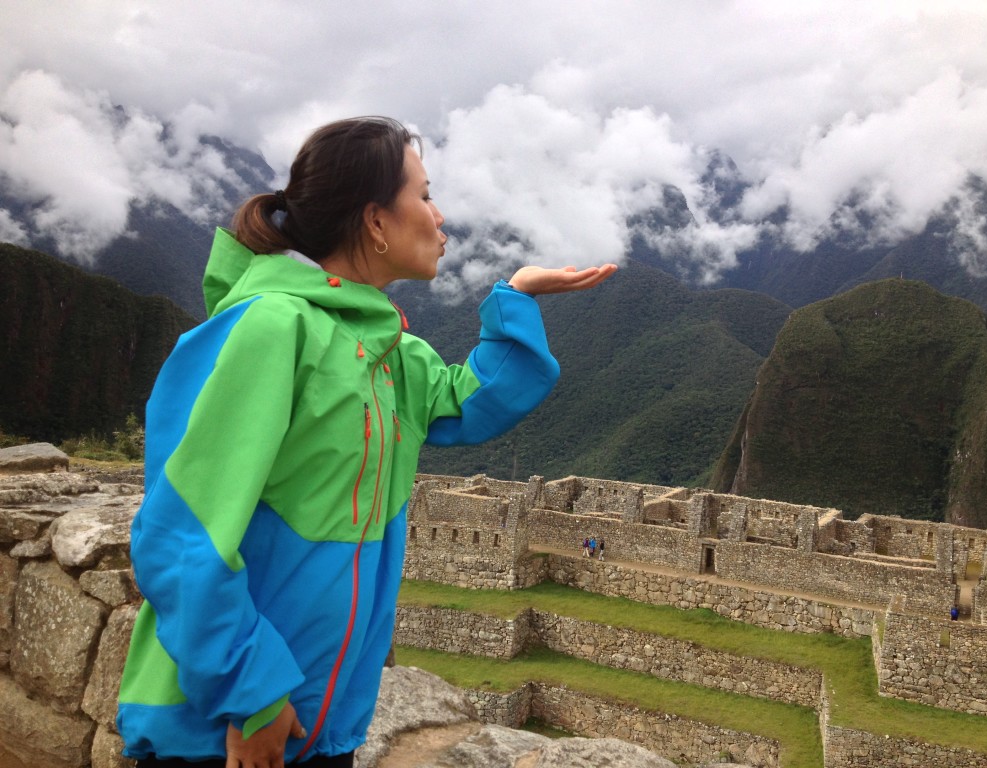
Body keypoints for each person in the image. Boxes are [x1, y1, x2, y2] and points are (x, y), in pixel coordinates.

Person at [116, 116, 616, 768]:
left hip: (326, 724)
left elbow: (468, 402)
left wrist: (515, 301)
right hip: (230, 726)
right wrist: (252, 693)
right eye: (426, 195)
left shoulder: (389, 355)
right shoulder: (269, 330)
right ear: (376, 221)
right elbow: (182, 532)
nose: (441, 218)